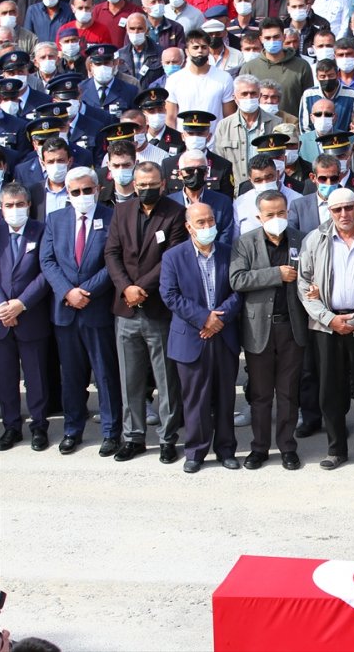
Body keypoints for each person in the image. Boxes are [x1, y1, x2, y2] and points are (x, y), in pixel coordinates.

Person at [103, 161, 186, 463]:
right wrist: (126, 287)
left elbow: (172, 257)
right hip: (125, 309)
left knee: (166, 380)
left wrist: (142, 287)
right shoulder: (122, 211)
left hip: (158, 309)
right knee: (131, 379)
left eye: (152, 184)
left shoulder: (175, 214)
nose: (147, 189)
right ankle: (133, 437)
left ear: (163, 184)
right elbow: (111, 253)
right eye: (142, 185)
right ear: (134, 185)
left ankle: (167, 438)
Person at [297, 187, 354, 472]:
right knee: (330, 389)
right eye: (337, 210)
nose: (344, 214)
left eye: (349, 207)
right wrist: (328, 319)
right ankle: (336, 449)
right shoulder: (314, 240)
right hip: (326, 326)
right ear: (330, 212)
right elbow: (303, 284)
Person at [38, 166, 123, 456]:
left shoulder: (111, 218)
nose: (82, 196)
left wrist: (86, 291)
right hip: (65, 310)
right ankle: (73, 429)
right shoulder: (55, 219)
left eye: (87, 190)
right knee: (72, 376)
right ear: (68, 194)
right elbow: (47, 261)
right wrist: (67, 292)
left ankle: (112, 431)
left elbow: (113, 261)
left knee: (105, 375)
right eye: (75, 192)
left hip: (96, 308)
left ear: (98, 190)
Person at [160, 202, 242, 473]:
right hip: (191, 337)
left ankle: (226, 448)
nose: (207, 227)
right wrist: (203, 318)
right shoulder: (174, 256)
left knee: (225, 396)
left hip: (224, 334)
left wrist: (220, 318)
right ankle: (195, 451)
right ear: (189, 227)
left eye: (210, 221)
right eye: (201, 223)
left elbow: (239, 290)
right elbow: (170, 295)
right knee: (195, 398)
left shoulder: (230, 253)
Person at [229, 189, 307, 470]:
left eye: (281, 213)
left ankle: (287, 446)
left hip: (292, 328)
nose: (277, 219)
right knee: (260, 395)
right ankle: (259, 448)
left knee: (288, 393)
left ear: (288, 212)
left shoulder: (301, 239)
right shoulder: (244, 243)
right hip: (258, 328)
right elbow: (237, 279)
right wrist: (277, 274)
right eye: (270, 214)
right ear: (259, 217)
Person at [0, 183, 50, 452]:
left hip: (30, 315)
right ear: (1, 207)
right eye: (10, 205)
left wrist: (21, 304)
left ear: (29, 205)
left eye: (20, 204)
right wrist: (3, 306)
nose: (15, 210)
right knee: (5, 377)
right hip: (1, 319)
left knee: (35, 375)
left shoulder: (40, 231)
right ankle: (11, 427)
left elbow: (45, 273)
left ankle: (39, 425)